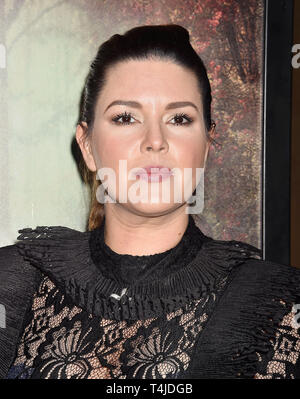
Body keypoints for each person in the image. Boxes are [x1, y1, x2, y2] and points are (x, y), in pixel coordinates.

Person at [0, 24, 300, 380]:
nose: (155, 141)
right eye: (126, 117)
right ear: (87, 146)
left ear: (206, 144)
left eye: (179, 118)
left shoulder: (280, 304)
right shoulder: (11, 281)